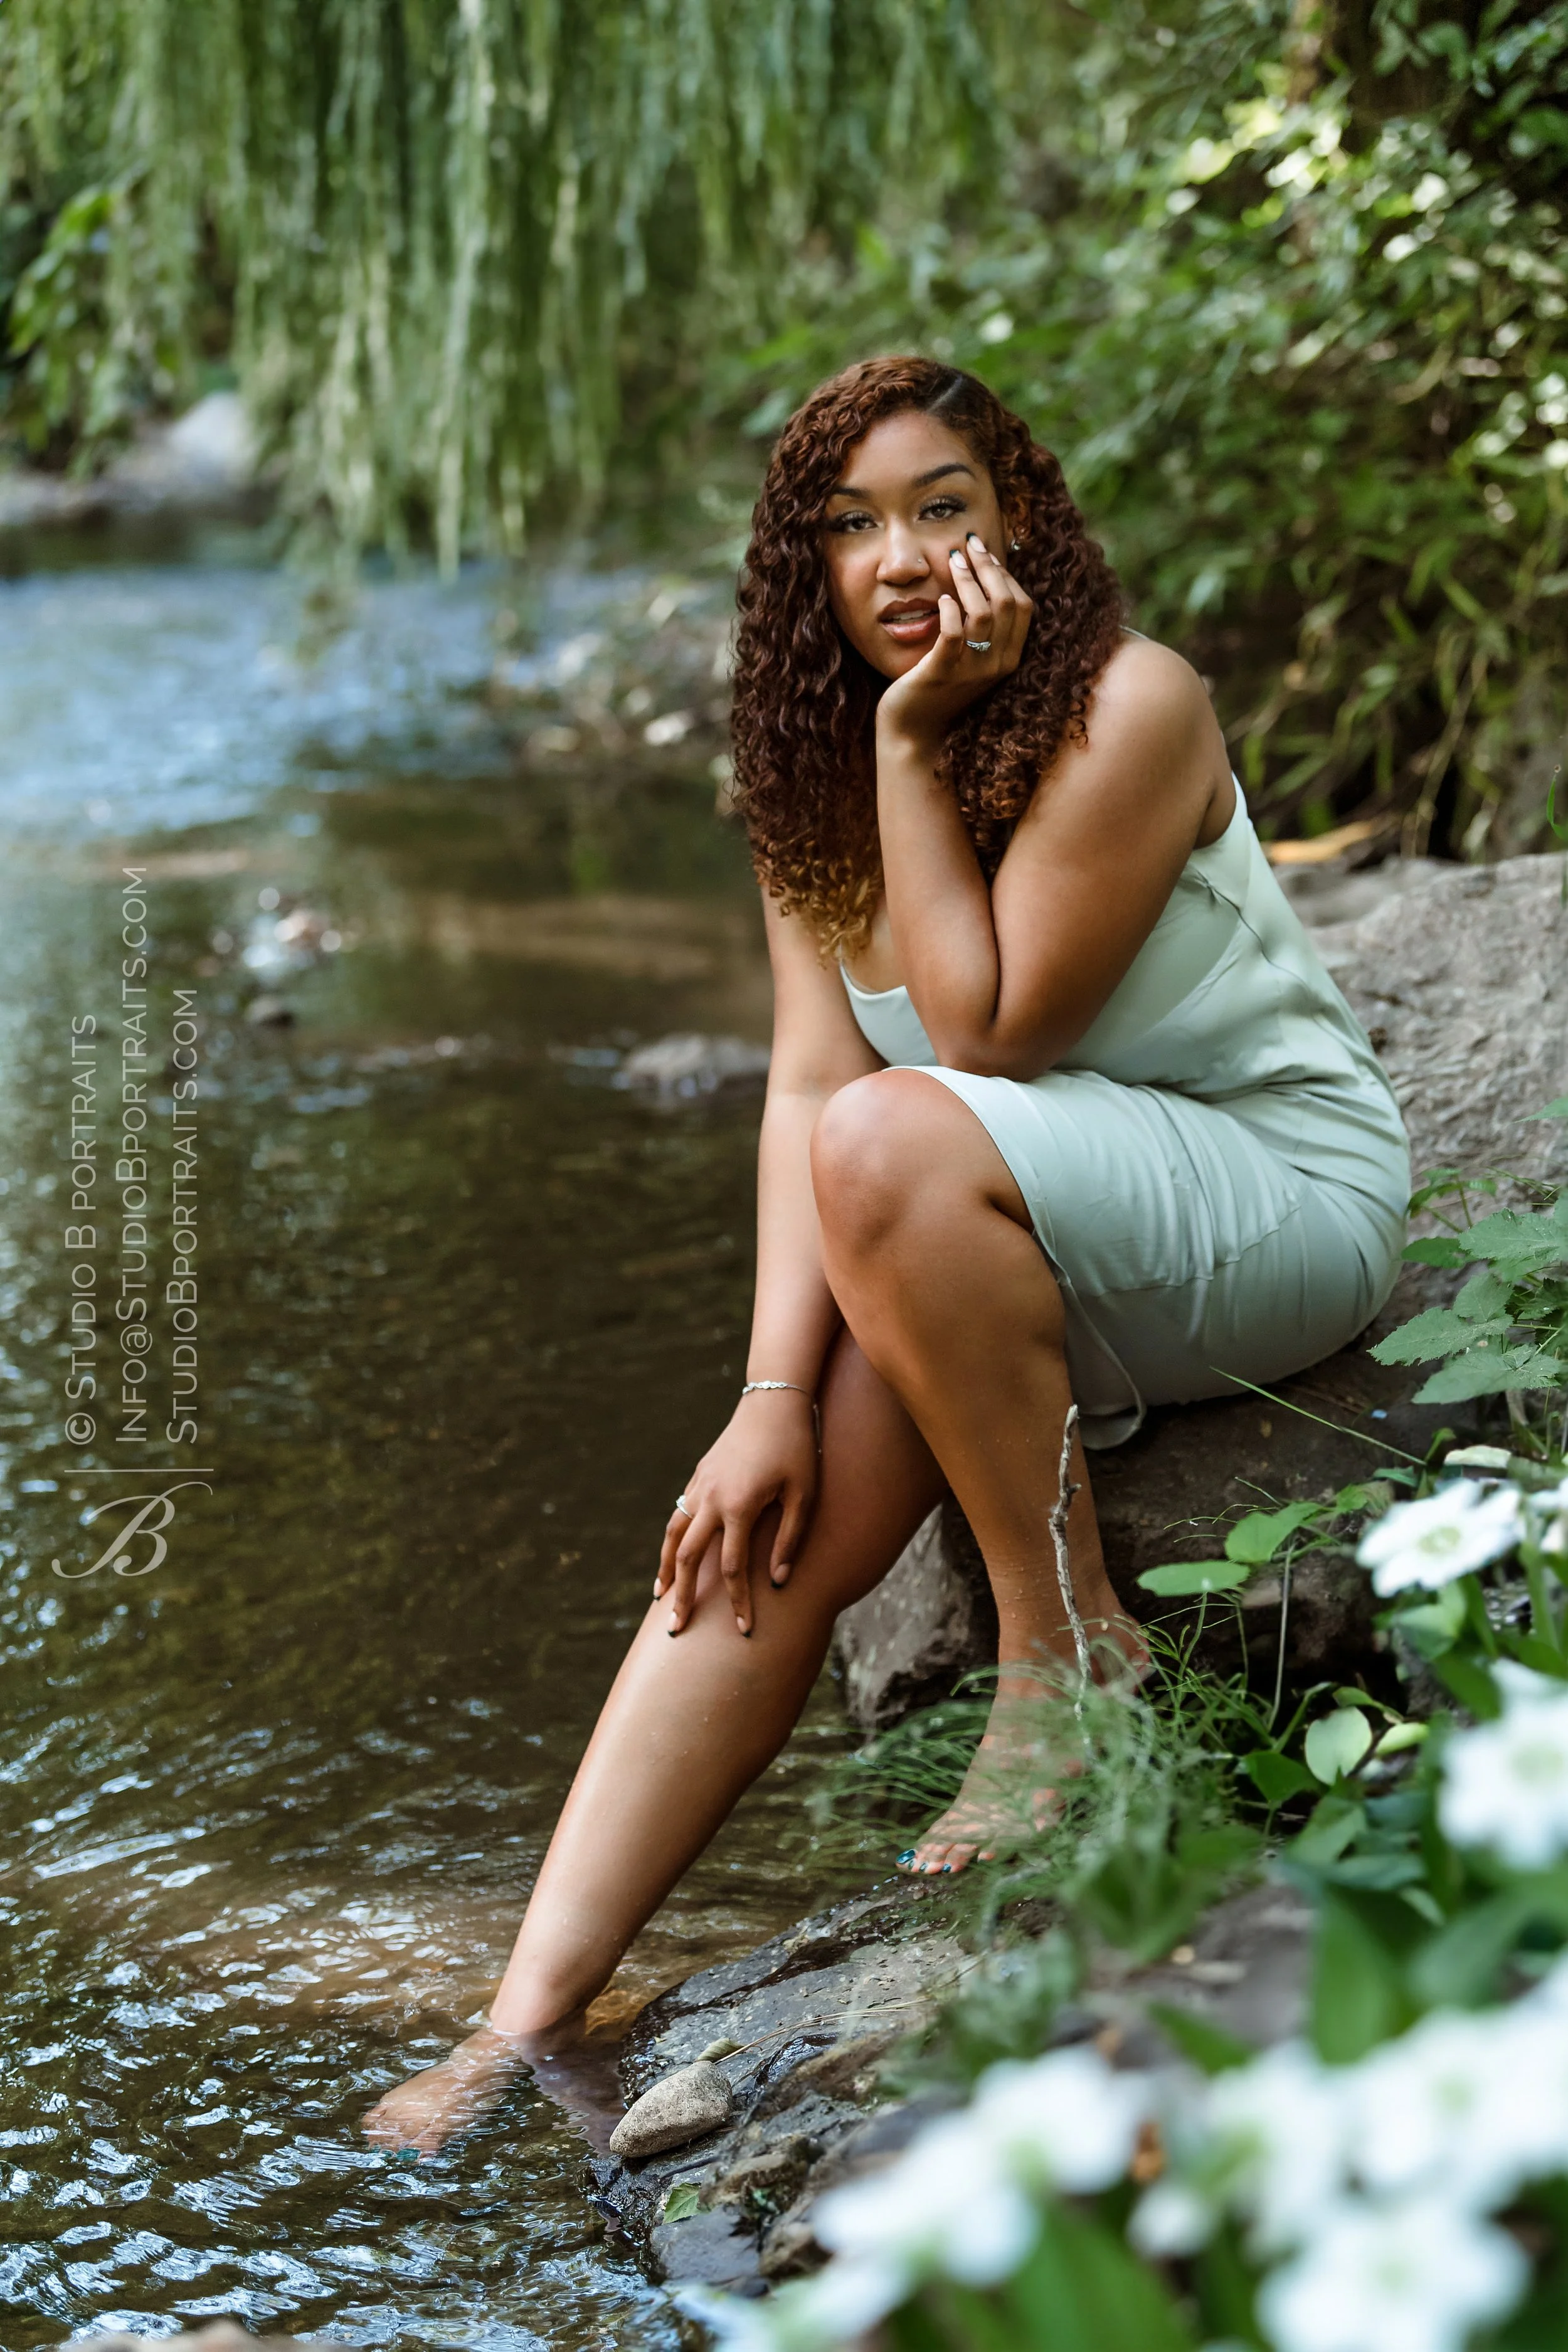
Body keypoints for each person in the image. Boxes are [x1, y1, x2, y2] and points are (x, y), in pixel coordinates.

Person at [363, 356, 1409, 2153]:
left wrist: (918, 738)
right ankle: (518, 2031)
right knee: (747, 1529)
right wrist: (768, 1396)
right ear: (803, 577)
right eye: (849, 527)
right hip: (994, 1231)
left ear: (1018, 522)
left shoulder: (1128, 706)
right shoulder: (811, 778)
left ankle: (1057, 1647)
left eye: (941, 504)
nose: (901, 552)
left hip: (1270, 1198)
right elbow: (801, 1089)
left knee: (897, 1133)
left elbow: (978, 1038)